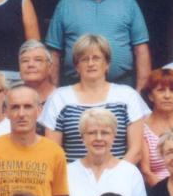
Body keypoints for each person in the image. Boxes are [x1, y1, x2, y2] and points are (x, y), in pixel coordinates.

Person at [45, 0, 150, 87]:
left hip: (121, 86)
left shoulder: (128, 3)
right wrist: (53, 91)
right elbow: (54, 52)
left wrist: (141, 91)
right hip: (75, 87)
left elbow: (141, 50)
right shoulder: (66, 4)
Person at [42, 34, 148, 163]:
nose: (91, 63)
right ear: (77, 66)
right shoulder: (59, 97)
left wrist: (116, 173)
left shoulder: (128, 96)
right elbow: (53, 152)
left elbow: (136, 151)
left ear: (107, 63)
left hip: (121, 174)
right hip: (71, 174)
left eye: (96, 58)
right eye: (84, 59)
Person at [64, 107, 150, 196]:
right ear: (82, 137)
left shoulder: (130, 173)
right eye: (92, 133)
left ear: (114, 136)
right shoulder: (68, 172)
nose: (99, 138)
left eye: (105, 133)